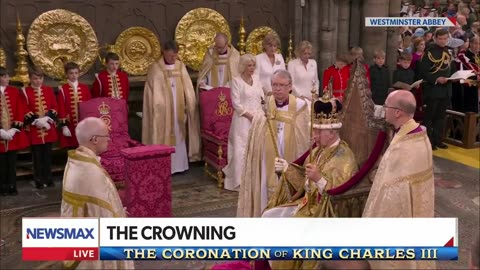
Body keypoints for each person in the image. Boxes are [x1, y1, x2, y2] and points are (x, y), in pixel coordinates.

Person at [263, 96, 358, 270]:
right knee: (269, 216)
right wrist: (286, 169)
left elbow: (340, 196)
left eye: (317, 131)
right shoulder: (317, 150)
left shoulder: (344, 157)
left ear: (331, 132)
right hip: (306, 205)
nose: (314, 135)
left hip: (322, 214)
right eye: (314, 130)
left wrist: (319, 179)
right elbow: (305, 183)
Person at [363, 90, 435, 270]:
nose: (384, 110)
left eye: (386, 106)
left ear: (397, 112)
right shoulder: (418, 135)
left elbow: (391, 195)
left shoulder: (405, 146)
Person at [61, 117, 134, 270]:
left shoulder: (78, 160)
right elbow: (104, 213)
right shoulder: (90, 172)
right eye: (106, 136)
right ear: (94, 139)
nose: (109, 139)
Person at [237, 69, 310, 217]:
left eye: (282, 85)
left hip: (292, 155)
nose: (277, 89)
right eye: (274, 85)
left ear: (290, 86)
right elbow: (257, 131)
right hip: (267, 158)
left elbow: (304, 137)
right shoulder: (265, 106)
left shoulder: (301, 106)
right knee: (266, 186)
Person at [142, 41, 201, 173]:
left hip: (179, 108)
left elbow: (187, 87)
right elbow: (153, 93)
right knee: (164, 132)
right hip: (163, 111)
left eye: (174, 56)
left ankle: (180, 166)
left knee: (179, 132)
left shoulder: (180, 66)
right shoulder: (156, 68)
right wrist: (159, 107)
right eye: (170, 56)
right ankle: (163, 167)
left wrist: (189, 102)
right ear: (164, 52)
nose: (173, 59)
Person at [222, 54, 264, 191]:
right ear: (243, 66)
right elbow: (237, 104)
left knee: (257, 148)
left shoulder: (257, 79)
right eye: (249, 65)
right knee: (241, 149)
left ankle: (255, 179)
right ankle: (239, 181)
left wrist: (262, 113)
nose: (252, 68)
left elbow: (261, 98)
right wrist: (250, 116)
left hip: (258, 118)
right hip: (242, 120)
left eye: (253, 65)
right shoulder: (236, 81)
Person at [418, 28, 458, 150]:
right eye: (440, 39)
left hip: (446, 89)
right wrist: (436, 79)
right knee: (430, 117)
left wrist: (456, 77)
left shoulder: (449, 52)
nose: (442, 41)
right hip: (433, 89)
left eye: (445, 38)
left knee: (441, 117)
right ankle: (428, 142)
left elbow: (452, 69)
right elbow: (423, 72)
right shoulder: (429, 51)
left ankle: (438, 140)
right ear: (435, 39)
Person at [23, 67, 58, 189]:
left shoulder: (48, 90)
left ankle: (48, 178)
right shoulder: (25, 92)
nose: (38, 81)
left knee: (48, 156)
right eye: (35, 78)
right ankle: (38, 179)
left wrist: (47, 119)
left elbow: (54, 107)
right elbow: (24, 109)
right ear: (30, 79)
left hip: (48, 129)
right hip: (34, 130)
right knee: (37, 157)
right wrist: (37, 121)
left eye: (40, 78)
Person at [0, 67, 29, 195]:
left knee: (12, 162)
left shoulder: (14, 91)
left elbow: (20, 110)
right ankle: (2, 187)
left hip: (12, 134)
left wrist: (13, 129)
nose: (8, 79)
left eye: (7, 76)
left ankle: (12, 186)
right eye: (5, 76)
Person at [57, 62, 92, 149]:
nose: (74, 75)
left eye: (76, 73)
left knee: (85, 148)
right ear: (66, 74)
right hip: (70, 124)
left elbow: (90, 106)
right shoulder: (63, 89)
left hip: (84, 124)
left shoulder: (84, 88)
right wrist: (64, 126)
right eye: (71, 73)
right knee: (72, 148)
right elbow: (61, 108)